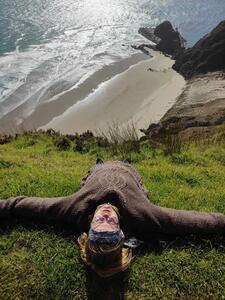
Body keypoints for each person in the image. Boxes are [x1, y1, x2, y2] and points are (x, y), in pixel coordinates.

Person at [0, 160, 225, 277]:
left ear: (89, 224)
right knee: (128, 168)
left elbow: (25, 206)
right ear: (121, 230)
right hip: (128, 169)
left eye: (100, 223)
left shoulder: (72, 209)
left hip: (96, 170)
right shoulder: (143, 217)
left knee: (96, 166)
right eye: (111, 224)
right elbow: (190, 221)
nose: (106, 216)